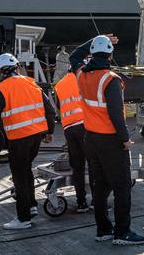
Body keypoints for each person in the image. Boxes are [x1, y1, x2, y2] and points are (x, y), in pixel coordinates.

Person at [70, 35, 144, 245]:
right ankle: (123, 232)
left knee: (100, 186)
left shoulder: (81, 75)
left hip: (91, 139)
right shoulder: (110, 79)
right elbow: (115, 113)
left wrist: (92, 40)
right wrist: (125, 139)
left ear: (92, 54)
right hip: (111, 140)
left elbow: (74, 55)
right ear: (110, 55)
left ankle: (103, 230)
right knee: (122, 186)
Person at [0, 54, 56, 229]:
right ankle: (31, 206)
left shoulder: (2, 89)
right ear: (17, 67)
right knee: (26, 171)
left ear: (1, 71)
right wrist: (49, 132)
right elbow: (50, 111)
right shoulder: (32, 83)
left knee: (19, 177)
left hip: (18, 139)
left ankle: (23, 219)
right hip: (36, 137)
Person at [53, 69, 91, 213]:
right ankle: (97, 201)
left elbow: (58, 105)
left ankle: (81, 202)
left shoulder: (60, 84)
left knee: (77, 167)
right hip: (85, 125)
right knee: (94, 164)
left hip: (69, 128)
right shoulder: (83, 79)